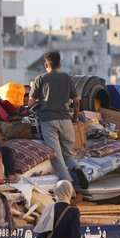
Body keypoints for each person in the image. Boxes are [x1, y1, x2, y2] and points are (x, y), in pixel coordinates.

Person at [29, 51, 84, 185]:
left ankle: (68, 183)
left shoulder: (40, 79)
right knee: (68, 154)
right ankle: (77, 169)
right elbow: (76, 101)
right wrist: (75, 118)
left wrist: (37, 102)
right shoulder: (67, 78)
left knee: (56, 156)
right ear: (59, 64)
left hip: (48, 121)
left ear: (46, 64)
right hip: (66, 120)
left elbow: (30, 103)